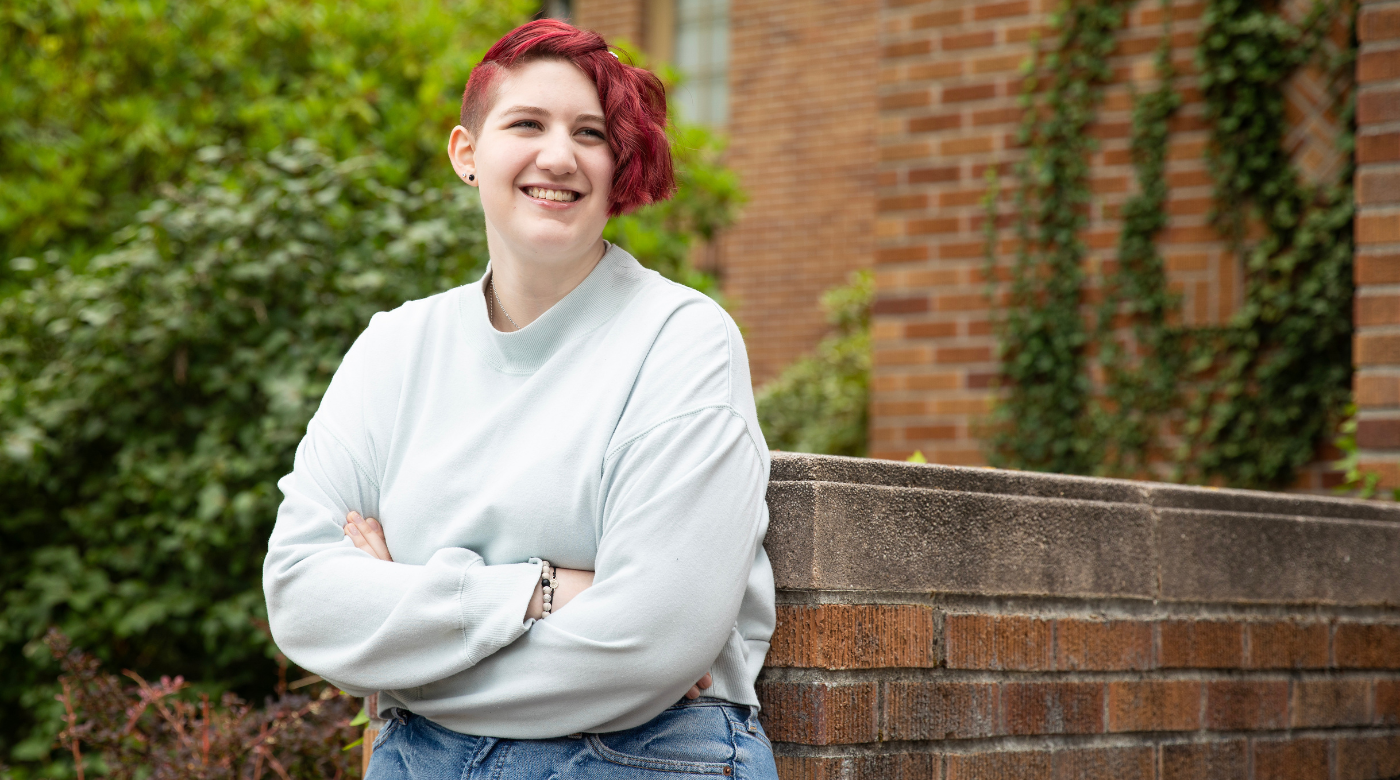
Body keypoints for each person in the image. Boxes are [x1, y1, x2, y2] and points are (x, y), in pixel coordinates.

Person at [261, 18, 778, 779]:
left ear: (617, 162)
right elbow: (303, 596)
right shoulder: (395, 349)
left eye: (591, 133)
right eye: (526, 123)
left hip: (643, 754)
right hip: (416, 759)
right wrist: (542, 590)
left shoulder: (680, 341)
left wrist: (402, 634)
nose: (559, 156)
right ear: (467, 155)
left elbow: (649, 645)